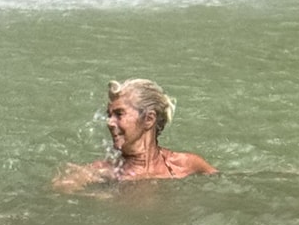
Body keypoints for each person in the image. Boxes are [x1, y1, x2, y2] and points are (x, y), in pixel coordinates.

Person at [52, 78, 217, 188]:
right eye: (109, 115)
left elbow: (226, 185)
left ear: (149, 119)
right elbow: (59, 189)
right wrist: (95, 195)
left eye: (119, 114)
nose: (109, 122)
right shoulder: (105, 172)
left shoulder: (186, 164)